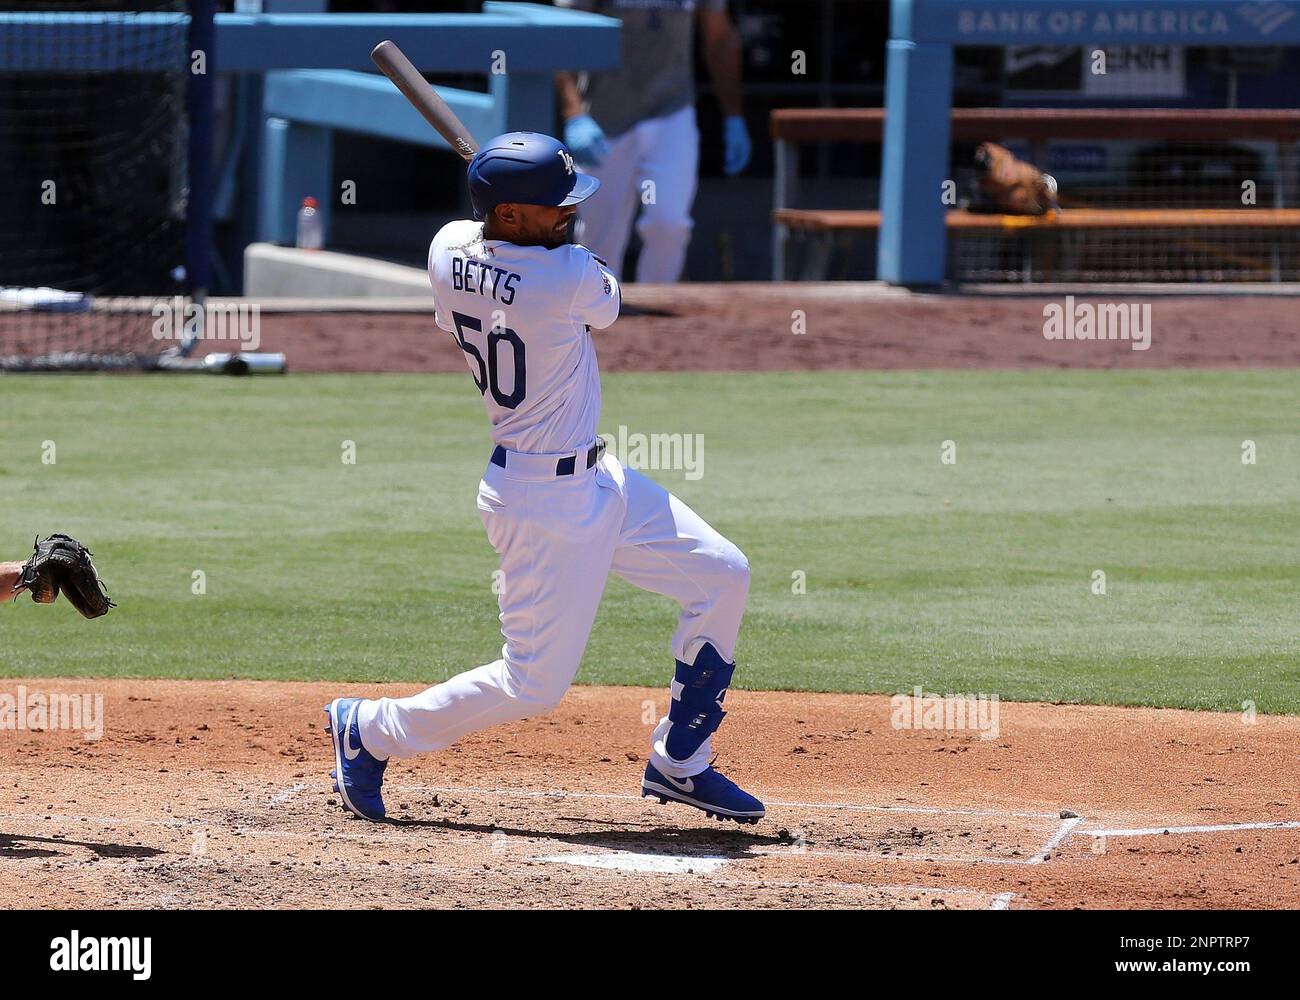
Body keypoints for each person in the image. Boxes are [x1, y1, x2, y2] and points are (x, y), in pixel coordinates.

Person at [325, 132, 762, 825]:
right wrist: (531, 228)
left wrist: (511, 208)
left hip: (596, 477)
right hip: (543, 501)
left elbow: (481, 248)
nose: (569, 216)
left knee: (721, 573)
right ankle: (372, 729)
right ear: (508, 216)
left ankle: (681, 763)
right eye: (553, 208)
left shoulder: (446, 251)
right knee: (532, 685)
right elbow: (607, 300)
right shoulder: (566, 277)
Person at [553, 0, 749, 283]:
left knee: (669, 223)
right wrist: (574, 114)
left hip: (671, 112)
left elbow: (720, 38)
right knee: (601, 232)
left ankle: (657, 311)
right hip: (605, 116)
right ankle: (595, 316)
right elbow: (561, 34)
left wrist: (734, 117)